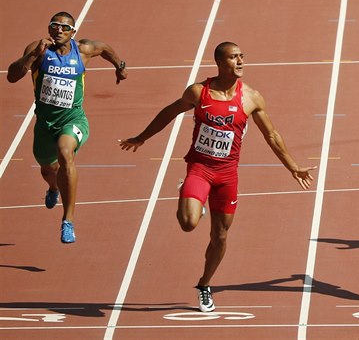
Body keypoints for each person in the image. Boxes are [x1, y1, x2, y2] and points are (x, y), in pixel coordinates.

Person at [119, 42, 316, 312]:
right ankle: (189, 196)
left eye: (242, 56)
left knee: (220, 236)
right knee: (188, 223)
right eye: (234, 57)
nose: (241, 61)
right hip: (200, 168)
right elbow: (169, 112)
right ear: (221, 63)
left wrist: (293, 167)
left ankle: (204, 285)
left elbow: (271, 135)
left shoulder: (251, 97)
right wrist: (141, 138)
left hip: (227, 175)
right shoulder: (198, 92)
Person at [6, 11, 128, 244]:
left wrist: (120, 66)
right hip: (44, 124)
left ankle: (68, 221)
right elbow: (12, 77)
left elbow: (104, 48)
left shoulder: (82, 50)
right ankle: (53, 188)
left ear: (73, 32)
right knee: (48, 170)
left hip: (73, 120)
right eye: (55, 26)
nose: (59, 30)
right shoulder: (38, 50)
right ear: (49, 28)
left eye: (65, 27)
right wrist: (33, 56)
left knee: (65, 154)